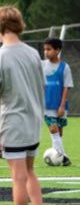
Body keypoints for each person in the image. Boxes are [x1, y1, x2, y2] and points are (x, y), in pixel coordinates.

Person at [0, 5, 53, 205]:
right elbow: (42, 86)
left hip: (13, 124)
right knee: (30, 172)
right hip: (34, 121)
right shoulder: (33, 54)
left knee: (18, 178)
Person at [42, 37, 73, 166]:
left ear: (58, 50)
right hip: (46, 105)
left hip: (60, 106)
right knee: (53, 129)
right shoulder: (42, 65)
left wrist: (61, 106)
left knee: (59, 132)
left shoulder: (65, 67)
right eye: (45, 49)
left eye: (49, 49)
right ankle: (63, 156)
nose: (46, 52)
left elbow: (66, 87)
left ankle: (60, 155)